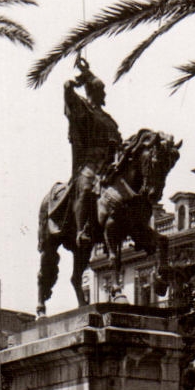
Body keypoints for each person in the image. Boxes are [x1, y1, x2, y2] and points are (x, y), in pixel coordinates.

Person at [62, 56, 122, 249]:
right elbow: (71, 102)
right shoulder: (85, 111)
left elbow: (119, 139)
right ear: (93, 93)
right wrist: (69, 87)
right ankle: (82, 230)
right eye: (101, 91)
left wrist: (86, 71)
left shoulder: (108, 118)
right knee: (87, 186)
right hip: (91, 162)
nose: (104, 94)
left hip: (111, 162)